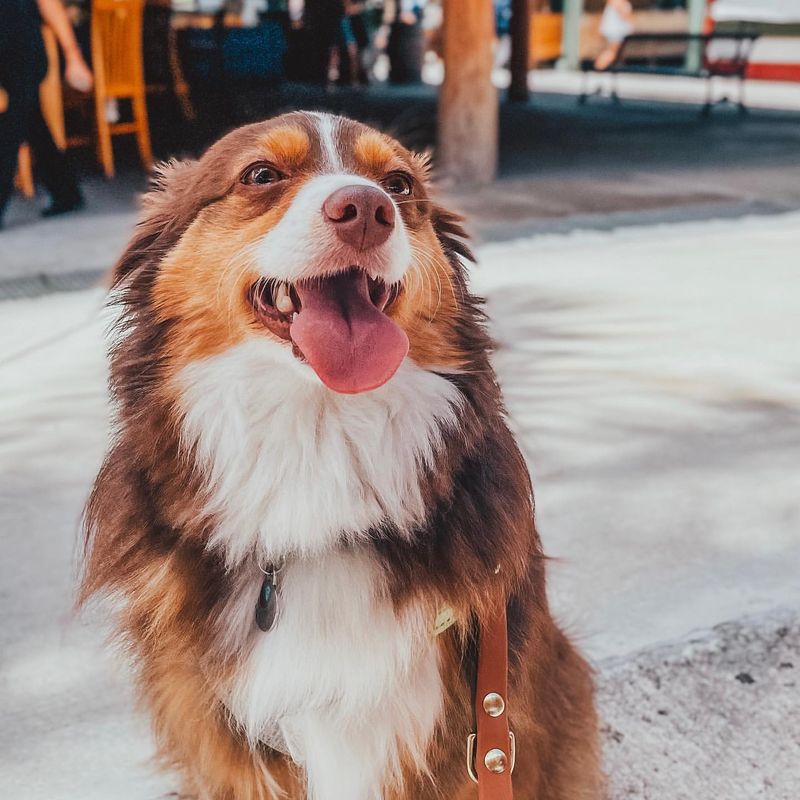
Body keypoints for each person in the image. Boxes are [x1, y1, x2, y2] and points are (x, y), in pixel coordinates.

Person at [0, 0, 93, 227]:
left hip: (24, 52)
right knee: (31, 122)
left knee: (11, 125)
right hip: (8, 57)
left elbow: (48, 3)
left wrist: (73, 56)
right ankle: (66, 192)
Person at [595, 0, 634, 71]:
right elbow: (624, 16)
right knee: (611, 53)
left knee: (613, 53)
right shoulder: (617, 2)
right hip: (615, 34)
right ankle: (599, 67)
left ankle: (600, 67)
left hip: (616, 34)